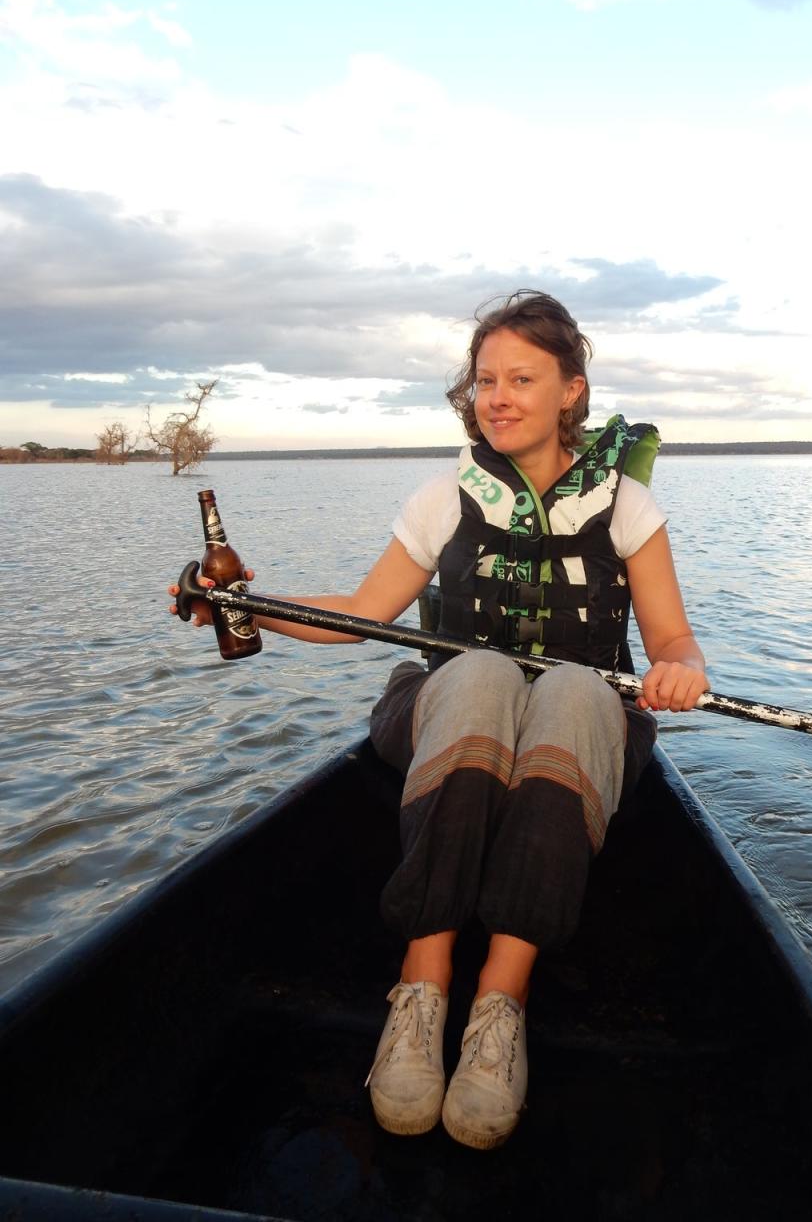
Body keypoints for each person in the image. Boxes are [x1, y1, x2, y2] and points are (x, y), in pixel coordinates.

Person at [169, 290, 709, 1152]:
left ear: (571, 389)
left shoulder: (626, 509)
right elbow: (361, 609)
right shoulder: (443, 498)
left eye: (521, 378)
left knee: (574, 690)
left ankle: (500, 1003)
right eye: (485, 378)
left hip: (580, 726)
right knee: (483, 670)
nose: (497, 396)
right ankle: (421, 989)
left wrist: (682, 667)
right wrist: (248, 608)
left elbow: (671, 635)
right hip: (453, 709)